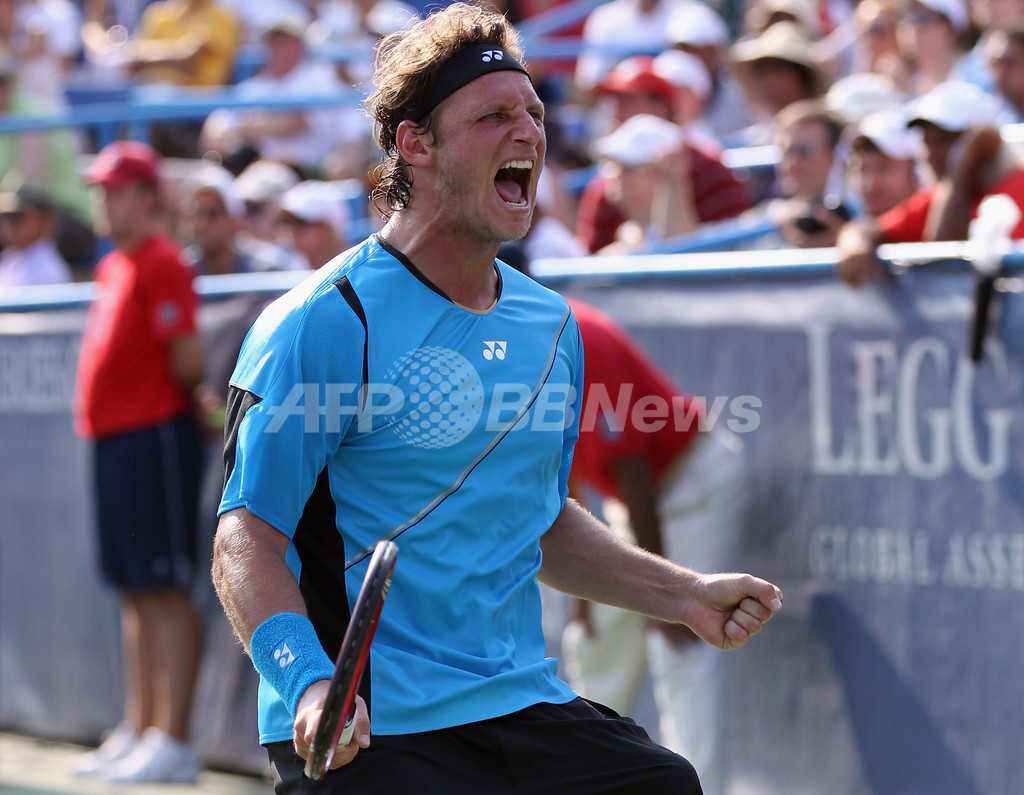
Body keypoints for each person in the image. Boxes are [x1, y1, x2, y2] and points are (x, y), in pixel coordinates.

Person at [210, 4, 783, 793]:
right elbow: (246, 540)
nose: (528, 133)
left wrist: (682, 593)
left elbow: (537, 518)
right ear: (415, 144)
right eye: (493, 115)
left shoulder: (549, 324)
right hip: (370, 726)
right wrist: (308, 680)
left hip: (516, 704)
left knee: (663, 783)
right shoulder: (323, 321)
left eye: (534, 113)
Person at [559, 297, 751, 795]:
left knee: (680, 645)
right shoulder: (506, 342)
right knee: (595, 639)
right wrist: (582, 587)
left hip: (689, 485)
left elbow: (634, 471)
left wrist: (665, 599)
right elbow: (557, 470)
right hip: (633, 504)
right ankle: (584, 781)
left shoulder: (575, 334)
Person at [71, 140, 206, 784]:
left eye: (113, 190)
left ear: (146, 197)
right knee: (134, 589)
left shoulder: (160, 262)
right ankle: (140, 725)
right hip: (116, 442)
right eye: (98, 190)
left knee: (164, 589)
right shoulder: (114, 265)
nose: (102, 201)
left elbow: (188, 364)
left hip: (154, 439)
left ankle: (173, 740)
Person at [836, 80, 1024, 286]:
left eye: (944, 139)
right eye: (927, 141)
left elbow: (946, 246)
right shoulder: (939, 195)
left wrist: (963, 164)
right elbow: (870, 229)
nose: (931, 153)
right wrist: (854, 242)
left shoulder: (1016, 187)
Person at [0, 179, 72, 287]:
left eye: (16, 216)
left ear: (43, 220)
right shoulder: (9, 258)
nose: (8, 224)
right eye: (5, 216)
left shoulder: (48, 271)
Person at [275, 179, 349, 268]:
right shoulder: (280, 267)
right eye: (287, 221)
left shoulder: (355, 267)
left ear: (326, 227)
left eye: (300, 222)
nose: (291, 229)